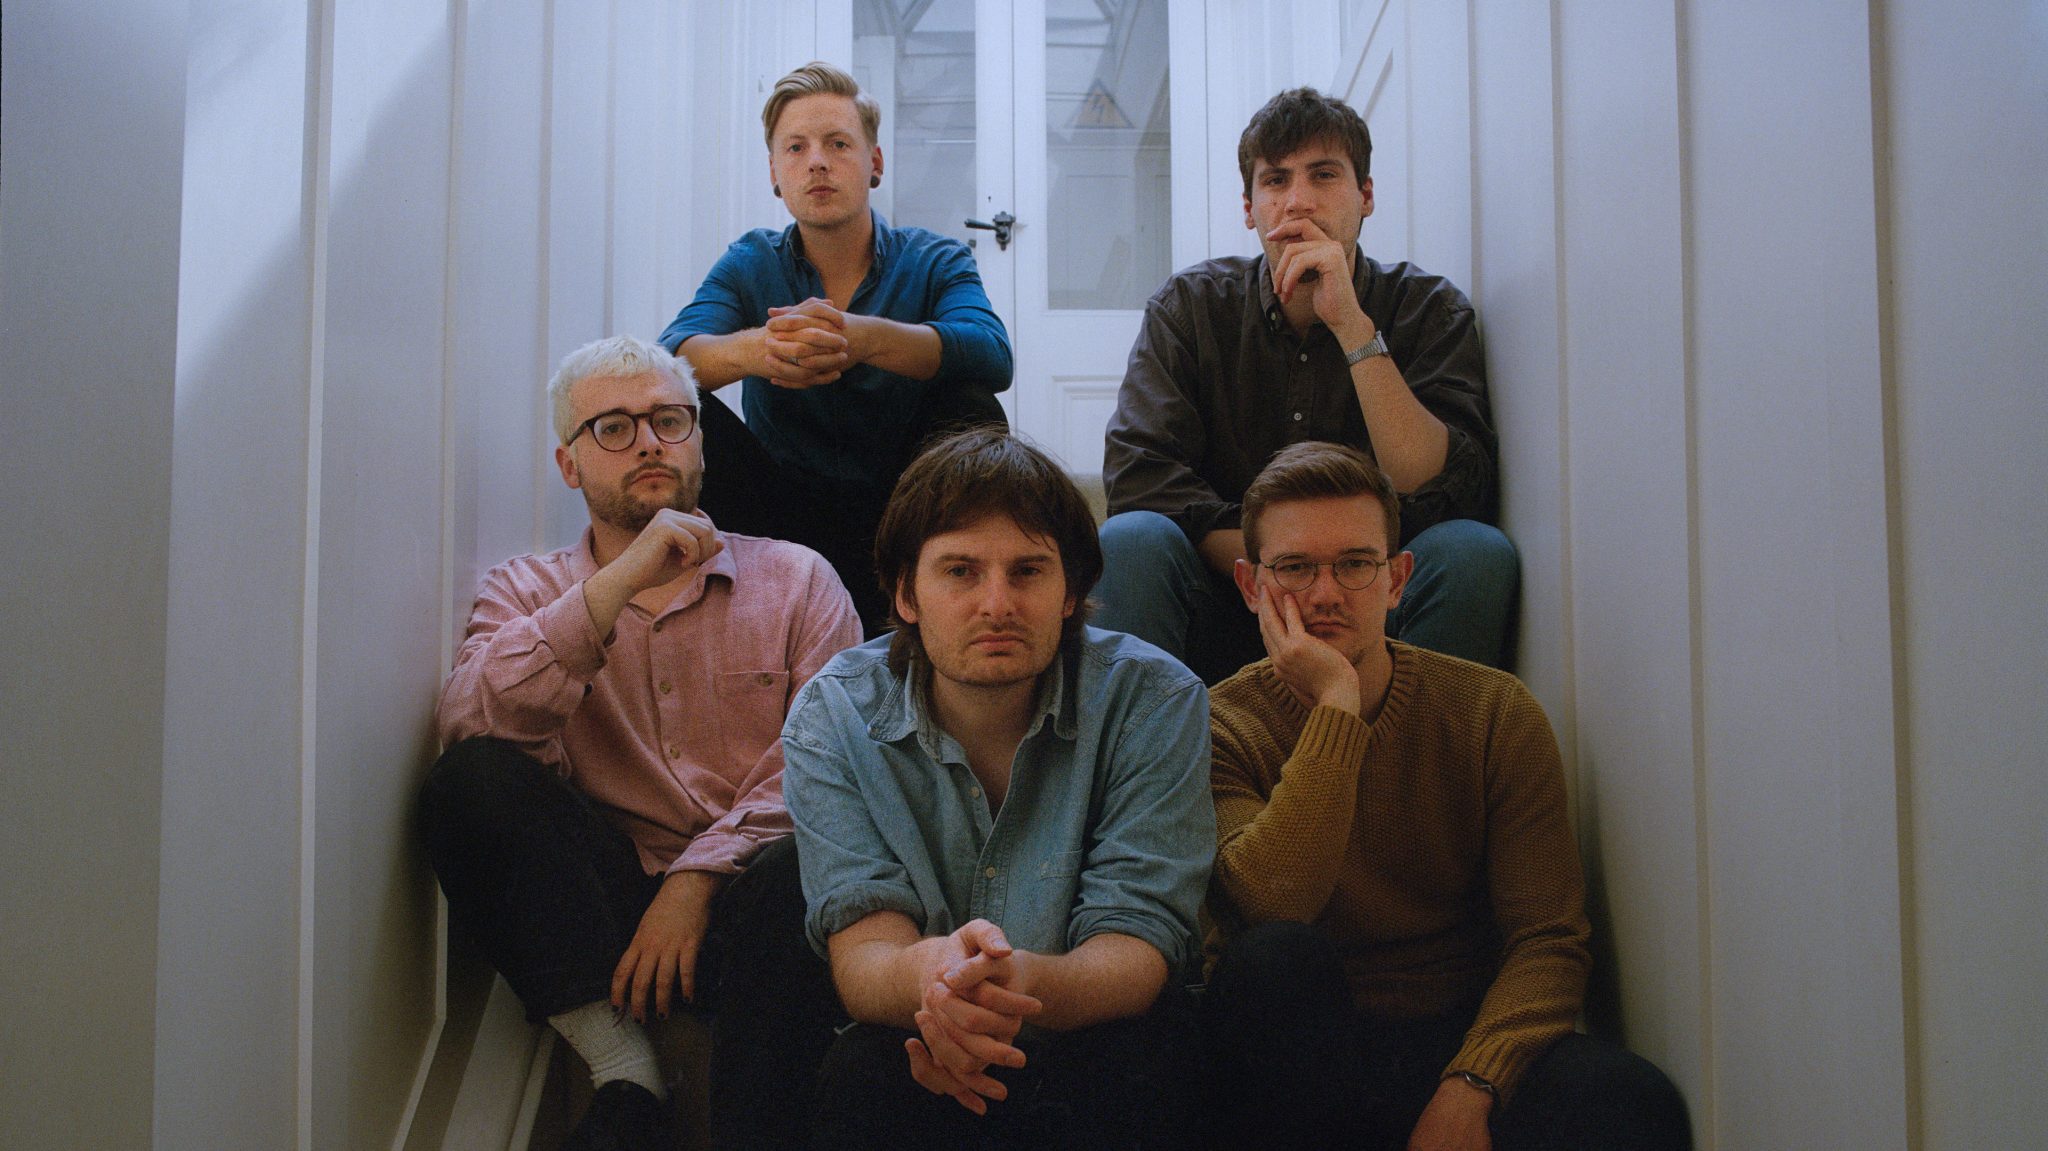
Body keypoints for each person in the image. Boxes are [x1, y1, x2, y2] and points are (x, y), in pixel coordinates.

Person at [419, 336, 862, 1151]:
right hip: (604, 911)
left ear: (699, 440)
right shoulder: (524, 589)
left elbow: (832, 764)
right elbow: (471, 724)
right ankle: (625, 1067)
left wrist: (694, 879)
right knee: (468, 781)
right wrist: (616, 584)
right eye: (614, 428)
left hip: (757, 900)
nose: (650, 442)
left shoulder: (800, 579)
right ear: (569, 464)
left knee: (807, 862)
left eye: (669, 419)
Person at [1201, 441, 1690, 1150]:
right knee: (1275, 959)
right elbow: (1274, 903)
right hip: (1294, 1050)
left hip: (1456, 1029)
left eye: (1355, 563)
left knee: (1633, 1102)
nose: (1326, 592)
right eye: (1295, 567)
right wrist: (1336, 701)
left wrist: (1473, 1083)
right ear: (1251, 587)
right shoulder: (1218, 725)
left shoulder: (1492, 711)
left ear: (1397, 580)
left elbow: (1548, 938)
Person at [781, 428, 1215, 1149]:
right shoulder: (835, 714)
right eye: (960, 571)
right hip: (926, 1035)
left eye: (1028, 571)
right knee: (863, 1070)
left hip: (1096, 1032)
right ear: (905, 593)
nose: (997, 603)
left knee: (1145, 1051)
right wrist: (936, 978)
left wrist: (1008, 985)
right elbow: (865, 953)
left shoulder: (1155, 699)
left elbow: (1138, 944)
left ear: (1071, 592)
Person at [1098, 86, 1517, 681]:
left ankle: (1417, 744)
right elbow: (1140, 475)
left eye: (1323, 175)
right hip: (1232, 595)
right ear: (1250, 207)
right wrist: (1281, 572)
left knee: (1474, 552)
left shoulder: (1429, 309)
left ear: (1365, 195)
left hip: (1373, 603)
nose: (1298, 201)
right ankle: (1153, 743)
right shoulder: (1190, 307)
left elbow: (1450, 487)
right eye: (1275, 181)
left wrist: (1351, 326)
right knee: (1132, 540)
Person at [661, 61, 1013, 634]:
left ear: (875, 163)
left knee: (972, 405)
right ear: (775, 173)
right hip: (778, 510)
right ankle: (732, 609)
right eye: (796, 148)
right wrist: (762, 349)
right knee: (680, 414)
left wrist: (862, 338)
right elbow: (666, 361)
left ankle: (953, 595)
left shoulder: (933, 258)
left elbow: (991, 353)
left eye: (838, 143)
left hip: (911, 511)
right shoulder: (751, 261)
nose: (817, 162)